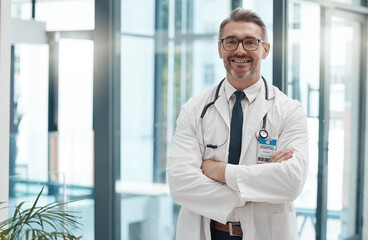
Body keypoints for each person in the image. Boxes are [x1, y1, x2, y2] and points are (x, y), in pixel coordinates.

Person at [167, 7, 308, 240]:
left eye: (250, 42)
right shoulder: (194, 110)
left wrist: (219, 171)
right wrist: (258, 186)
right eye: (231, 42)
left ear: (265, 50)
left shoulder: (289, 111)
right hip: (207, 232)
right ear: (220, 49)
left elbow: (290, 183)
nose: (240, 50)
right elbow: (180, 184)